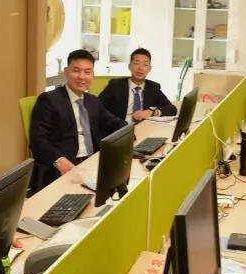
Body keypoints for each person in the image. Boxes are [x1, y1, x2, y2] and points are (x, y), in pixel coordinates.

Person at [29, 49, 127, 188]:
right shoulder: (49, 100)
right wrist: (59, 160)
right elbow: (38, 140)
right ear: (66, 71)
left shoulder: (93, 101)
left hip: (92, 162)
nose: (82, 77)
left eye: (87, 72)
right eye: (76, 70)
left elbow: (114, 122)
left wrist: (128, 132)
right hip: (63, 167)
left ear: (92, 75)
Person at [98, 48, 177, 123]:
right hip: (120, 128)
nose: (140, 68)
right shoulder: (115, 85)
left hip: (144, 127)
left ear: (149, 69)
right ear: (129, 66)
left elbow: (172, 109)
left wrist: (151, 112)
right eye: (136, 63)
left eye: (145, 65)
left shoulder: (153, 87)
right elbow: (97, 108)